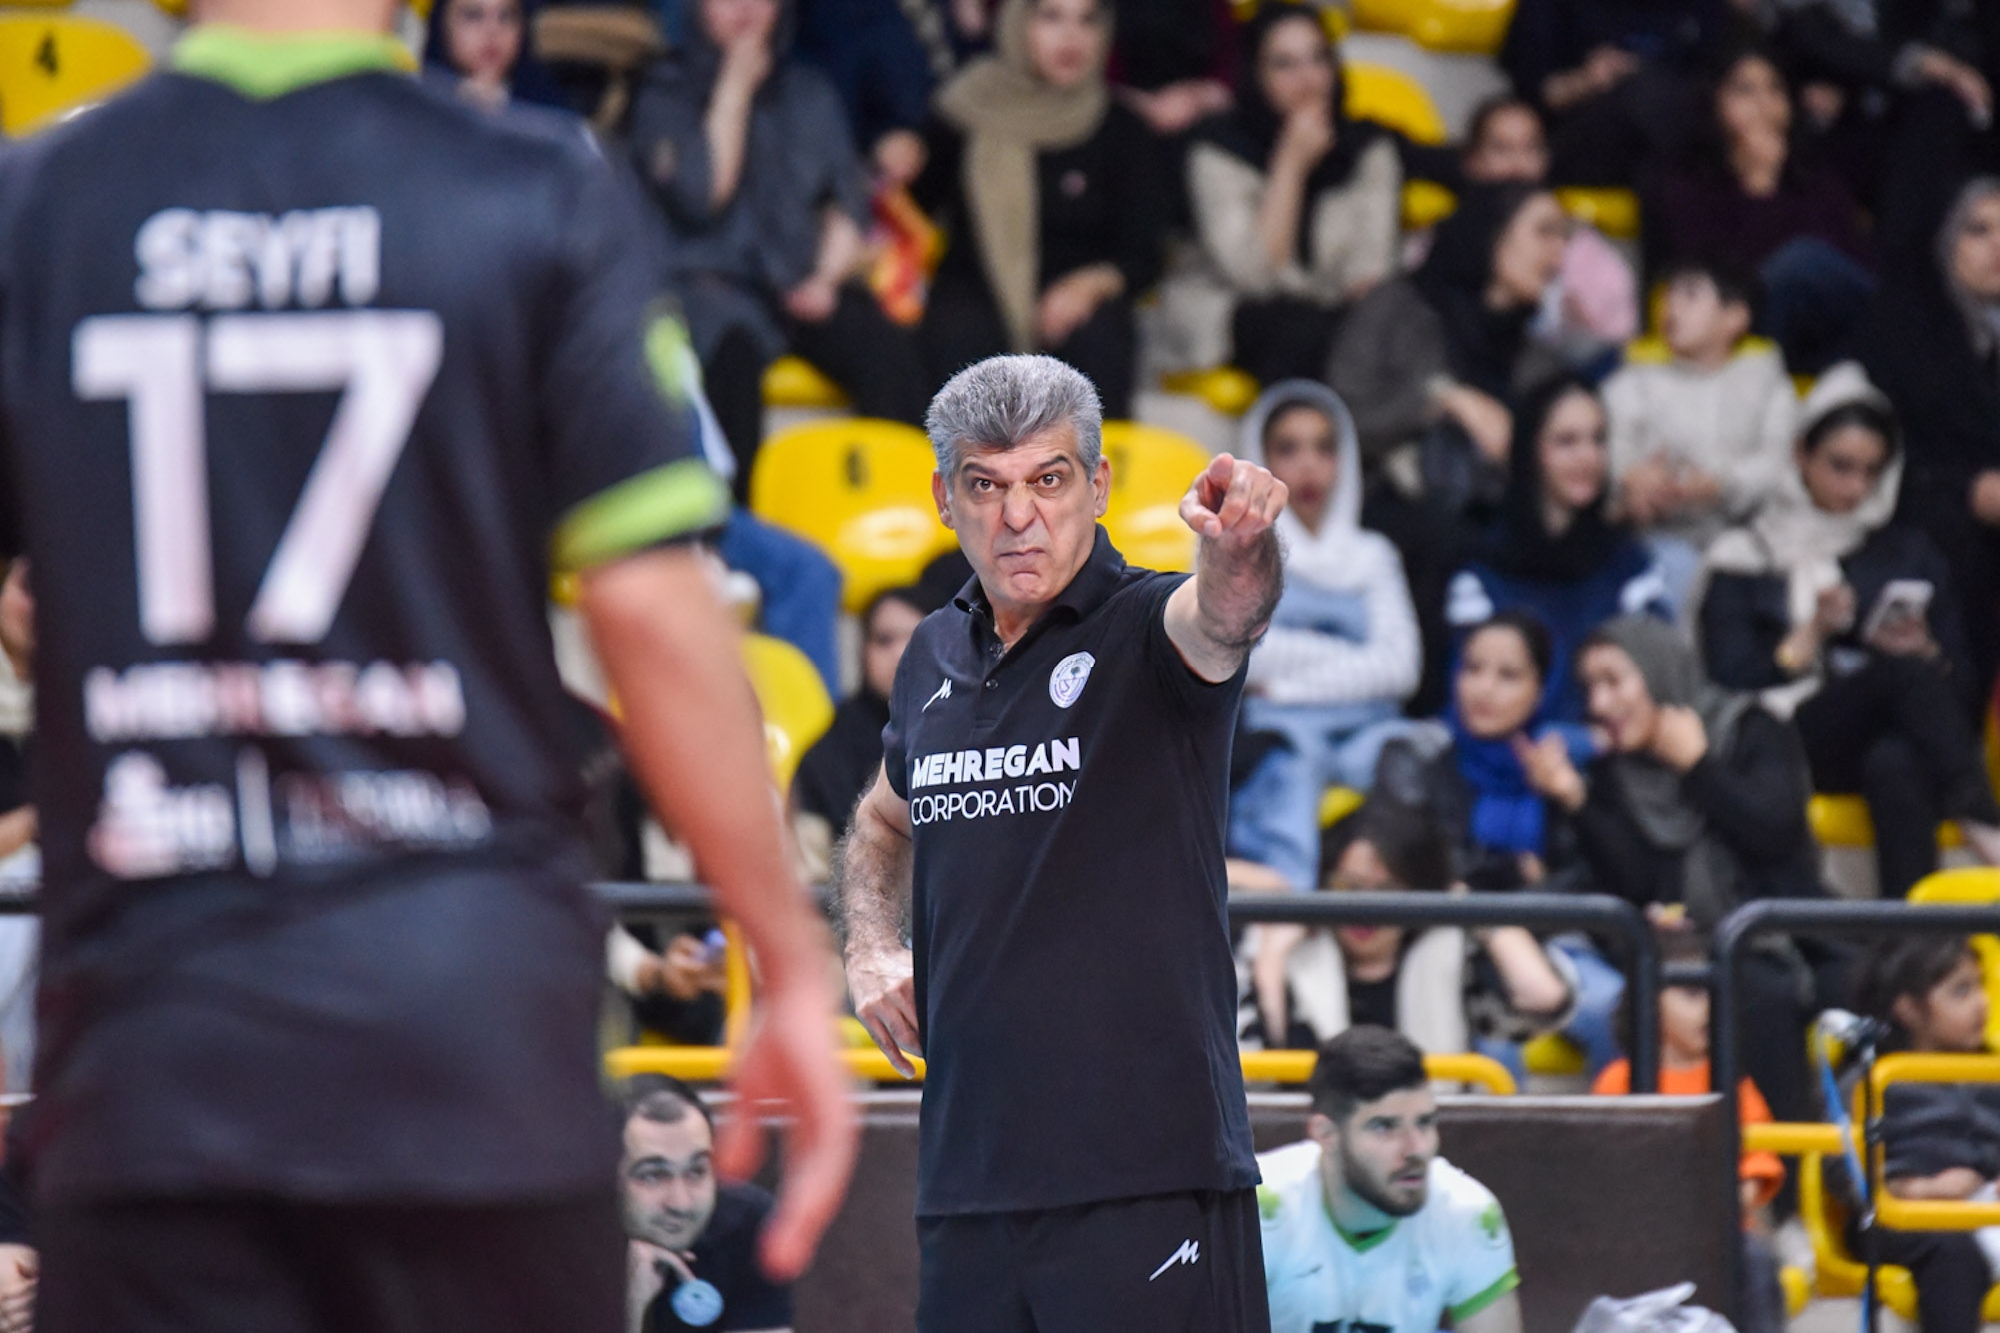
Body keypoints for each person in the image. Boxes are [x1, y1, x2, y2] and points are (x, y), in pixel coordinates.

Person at [0, 4, 857, 1330]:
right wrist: (789, 957)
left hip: (152, 1062)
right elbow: (651, 609)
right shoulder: (530, 183)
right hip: (468, 1043)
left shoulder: (41, 201)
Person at [835, 354, 1284, 1332]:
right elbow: (880, 818)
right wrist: (869, 945)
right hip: (966, 1188)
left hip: (1145, 1176)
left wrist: (1242, 544)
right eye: (984, 485)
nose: (1017, 516)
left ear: (1099, 485)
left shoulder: (1147, 628)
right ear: (943, 499)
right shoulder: (930, 653)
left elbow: (1226, 613)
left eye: (1048, 479)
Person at [1517, 615, 1838, 1123]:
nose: (1599, 704)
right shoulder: (1612, 774)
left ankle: (1789, 1165)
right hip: (1682, 949)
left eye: (1613, 681)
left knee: (1785, 986)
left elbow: (1775, 836)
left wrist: (1698, 768)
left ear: (1659, 671)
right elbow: (1638, 883)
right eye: (1589, 687)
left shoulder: (1747, 728)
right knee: (1703, 988)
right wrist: (1577, 802)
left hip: (1786, 936)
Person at [1699, 364, 2000, 896]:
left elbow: (1960, 692)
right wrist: (1810, 635)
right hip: (1780, 736)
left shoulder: (1905, 552)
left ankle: (1912, 936)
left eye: (1870, 471)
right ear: (1801, 454)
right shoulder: (1743, 555)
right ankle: (1984, 821)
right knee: (1899, 679)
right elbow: (1728, 678)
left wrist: (1927, 651)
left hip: (1873, 738)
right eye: (1840, 466)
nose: (1855, 487)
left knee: (1896, 763)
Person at [626, 0, 929, 487]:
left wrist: (825, 278)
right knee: (730, 353)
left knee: (882, 347)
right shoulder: (663, 92)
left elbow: (847, 201)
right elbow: (702, 193)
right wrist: (735, 87)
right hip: (707, 288)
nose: (746, 8)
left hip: (797, 281)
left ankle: (911, 504)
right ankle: (733, 523)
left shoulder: (808, 91)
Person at [912, 0, 1168, 417]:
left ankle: (1094, 463)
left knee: (1099, 336)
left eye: (1087, 21)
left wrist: (1088, 286)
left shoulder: (1123, 130)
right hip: (976, 290)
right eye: (1051, 17)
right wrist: (899, 161)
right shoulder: (965, 111)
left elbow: (1144, 253)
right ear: (1016, 25)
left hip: (1078, 298)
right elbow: (912, 209)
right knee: (959, 337)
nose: (1071, 37)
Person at [1226, 382, 1422, 891]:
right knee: (1285, 774)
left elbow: (1401, 667)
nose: (1309, 466)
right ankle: (1283, 913)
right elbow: (1242, 653)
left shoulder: (1374, 554)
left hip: (1368, 728)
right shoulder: (1235, 547)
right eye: (1288, 449)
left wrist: (1288, 686)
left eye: (1325, 448)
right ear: (1258, 458)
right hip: (1280, 736)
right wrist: (1356, 659)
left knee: (1419, 760)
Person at [1155, 2, 1400, 384]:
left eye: (1318, 59)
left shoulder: (1367, 149)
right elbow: (1255, 276)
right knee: (1295, 332)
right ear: (1254, 74)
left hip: (1333, 315)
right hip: (1229, 312)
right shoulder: (1217, 149)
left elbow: (1370, 271)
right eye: (1285, 64)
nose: (1308, 80)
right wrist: (1291, 165)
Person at [1241, 801, 1573, 1060]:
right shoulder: (1290, 952)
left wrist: (1473, 909)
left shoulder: (1449, 953)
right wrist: (1270, 964)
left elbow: (1543, 998)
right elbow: (1259, 1073)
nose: (1364, 909)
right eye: (1347, 887)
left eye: (1385, 890)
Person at [1257, 1026, 1524, 1333]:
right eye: (1384, 1127)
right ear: (1326, 1134)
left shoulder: (1466, 1212)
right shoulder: (1258, 1209)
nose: (1416, 1149)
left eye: (1424, 1122)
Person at [1591, 930, 1789, 1333]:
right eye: (1692, 994)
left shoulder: (1735, 1084)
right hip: (1641, 1236)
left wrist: (1730, 1201)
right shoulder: (1616, 1081)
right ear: (1648, 998)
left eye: (1716, 994)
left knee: (1756, 1260)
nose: (1710, 1008)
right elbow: (1606, 1176)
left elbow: (1756, 1165)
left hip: (1724, 1237)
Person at [1446, 377, 1671, 727]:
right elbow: (1468, 708)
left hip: (1613, 749)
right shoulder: (1483, 572)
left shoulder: (1629, 563)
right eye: (1567, 441)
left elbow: (1660, 689)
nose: (1588, 457)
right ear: (1530, 450)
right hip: (1508, 755)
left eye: (1598, 440)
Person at [1652, 42, 1876, 373]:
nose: (1764, 104)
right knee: (1796, 263)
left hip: (1830, 337)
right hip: (1742, 334)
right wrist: (1762, 186)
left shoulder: (1817, 177)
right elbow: (1720, 280)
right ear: (1714, 101)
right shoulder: (1688, 184)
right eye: (1745, 90)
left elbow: (1847, 267)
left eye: (1775, 89)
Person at [1862, 176, 2000, 706]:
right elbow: (1879, 449)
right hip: (1927, 510)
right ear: (1944, 242)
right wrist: (1968, 490)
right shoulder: (1901, 325)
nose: (1997, 247)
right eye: (1978, 230)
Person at [1602, 255, 1796, 609]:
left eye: (1690, 294)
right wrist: (1632, 479)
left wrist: (1720, 485)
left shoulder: (1767, 384)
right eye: (1669, 294)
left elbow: (1781, 464)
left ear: (1735, 316)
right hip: (1655, 539)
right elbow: (1609, 450)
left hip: (1749, 540)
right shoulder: (1631, 383)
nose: (1671, 306)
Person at [1843, 935, 2000, 1333]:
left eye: (1980, 985)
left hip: (1984, 1205)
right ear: (1909, 1009)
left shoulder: (1991, 1071)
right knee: (1953, 1252)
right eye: (1961, 991)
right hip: (1899, 1213)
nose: (1982, 1002)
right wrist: (1916, 1189)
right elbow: (1840, 1163)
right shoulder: (1874, 1080)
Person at [620, 1076, 793, 1333]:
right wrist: (630, 1309)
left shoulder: (746, 1222)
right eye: (653, 1175)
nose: (681, 1203)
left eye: (696, 1171)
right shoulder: (563, 1240)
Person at [1498, 0, 1725, 187]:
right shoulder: (1551, 6)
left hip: (1670, 148)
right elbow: (1529, 96)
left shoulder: (1703, 8)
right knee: (1643, 95)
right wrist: (1585, 80)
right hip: (1575, 141)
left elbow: (1720, 88)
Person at [791, 586, 927, 879]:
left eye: (916, 638)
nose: (899, 653)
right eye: (884, 640)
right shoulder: (828, 754)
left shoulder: (976, 734)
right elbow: (810, 875)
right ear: (863, 650)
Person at [421, 0, 567, 113]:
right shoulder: (417, 110)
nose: (493, 30)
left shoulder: (553, 114)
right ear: (441, 25)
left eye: (506, 16)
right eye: (474, 15)